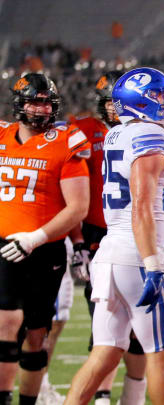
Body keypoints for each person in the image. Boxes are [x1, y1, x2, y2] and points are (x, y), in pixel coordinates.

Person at [65, 67, 164, 405]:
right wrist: (153, 261)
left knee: (104, 354)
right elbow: (142, 206)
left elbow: (132, 208)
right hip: (136, 255)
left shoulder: (117, 134)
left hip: (112, 254)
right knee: (161, 357)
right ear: (139, 103)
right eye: (160, 96)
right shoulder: (150, 135)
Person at [0, 72, 90, 405]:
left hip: (45, 248)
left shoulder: (67, 139)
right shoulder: (2, 135)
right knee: (5, 324)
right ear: (19, 104)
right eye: (33, 102)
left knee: (37, 333)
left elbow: (78, 206)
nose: (40, 110)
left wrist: (35, 237)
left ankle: (27, 401)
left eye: (44, 103)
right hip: (4, 245)